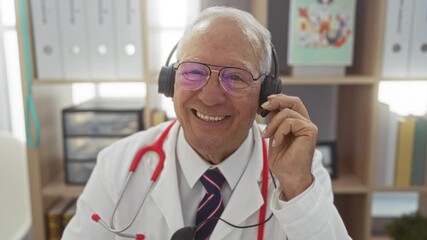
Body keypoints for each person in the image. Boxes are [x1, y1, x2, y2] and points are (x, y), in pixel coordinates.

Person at [62, 6, 351, 240]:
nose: (211, 97)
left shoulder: (301, 169)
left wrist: (298, 188)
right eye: (194, 72)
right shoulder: (118, 164)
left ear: (266, 93)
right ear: (170, 82)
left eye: (235, 77)